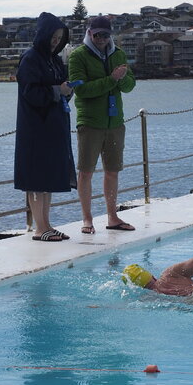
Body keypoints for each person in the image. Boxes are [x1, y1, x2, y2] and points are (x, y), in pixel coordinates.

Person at [68, 15, 137, 234]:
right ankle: (87, 219)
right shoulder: (78, 56)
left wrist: (122, 78)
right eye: (97, 34)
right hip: (90, 122)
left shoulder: (119, 54)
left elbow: (130, 86)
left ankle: (112, 217)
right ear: (89, 33)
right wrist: (111, 80)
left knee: (113, 171)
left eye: (105, 35)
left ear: (111, 35)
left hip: (115, 121)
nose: (101, 39)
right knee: (86, 172)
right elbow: (81, 89)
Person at [14, 12, 77, 242]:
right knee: (36, 179)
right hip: (35, 128)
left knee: (48, 178)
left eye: (59, 37)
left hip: (54, 125)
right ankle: (40, 228)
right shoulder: (30, 58)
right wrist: (57, 91)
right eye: (53, 36)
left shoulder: (55, 59)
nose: (55, 41)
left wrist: (67, 90)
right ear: (43, 35)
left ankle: (47, 224)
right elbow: (30, 93)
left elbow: (60, 90)